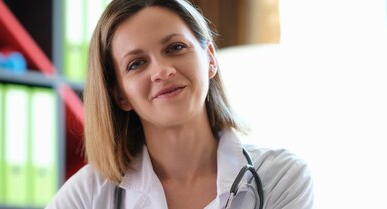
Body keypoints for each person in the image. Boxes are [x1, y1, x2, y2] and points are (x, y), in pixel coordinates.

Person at [46, 0, 313, 208]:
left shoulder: (279, 176)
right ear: (121, 95)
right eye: (136, 64)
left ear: (210, 58)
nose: (162, 71)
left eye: (175, 48)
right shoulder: (88, 195)